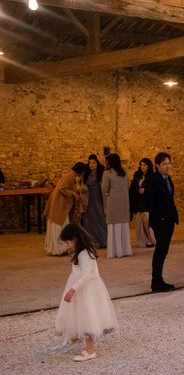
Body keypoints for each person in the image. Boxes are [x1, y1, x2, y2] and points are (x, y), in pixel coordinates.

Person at [55, 223, 117, 362]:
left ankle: (90, 351)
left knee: (87, 317)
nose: (67, 245)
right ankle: (75, 336)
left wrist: (73, 289)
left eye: (68, 242)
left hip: (86, 289)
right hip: (81, 287)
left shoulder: (85, 254)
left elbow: (87, 274)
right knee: (79, 315)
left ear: (75, 240)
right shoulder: (80, 252)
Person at [144, 152, 179, 292]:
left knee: (163, 250)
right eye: (164, 164)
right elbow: (149, 201)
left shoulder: (167, 178)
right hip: (160, 220)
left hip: (169, 219)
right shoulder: (152, 179)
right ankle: (156, 280)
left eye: (168, 163)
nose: (167, 166)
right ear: (157, 165)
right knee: (160, 250)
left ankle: (158, 279)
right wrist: (159, 216)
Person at [45, 162, 86, 256]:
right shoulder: (70, 176)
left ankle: (61, 248)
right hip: (60, 205)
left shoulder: (71, 176)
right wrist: (73, 194)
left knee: (61, 225)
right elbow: (62, 189)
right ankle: (59, 249)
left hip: (61, 205)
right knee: (59, 226)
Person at [102, 154, 132, 259]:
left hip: (113, 204)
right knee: (123, 226)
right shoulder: (124, 174)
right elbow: (128, 186)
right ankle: (125, 250)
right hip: (123, 203)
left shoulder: (107, 173)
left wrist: (105, 201)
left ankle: (114, 251)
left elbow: (104, 189)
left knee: (113, 226)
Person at [129, 158, 156, 248]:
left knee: (145, 220)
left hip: (148, 203)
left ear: (148, 166)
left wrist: (146, 190)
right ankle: (146, 240)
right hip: (139, 202)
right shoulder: (137, 175)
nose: (142, 166)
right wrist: (138, 190)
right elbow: (132, 188)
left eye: (144, 165)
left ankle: (150, 239)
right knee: (140, 223)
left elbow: (155, 189)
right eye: (141, 165)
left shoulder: (152, 176)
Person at [82, 155, 107, 248]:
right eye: (90, 163)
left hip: (98, 198)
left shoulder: (101, 173)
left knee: (100, 219)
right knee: (89, 221)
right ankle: (93, 242)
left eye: (94, 163)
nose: (91, 165)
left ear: (97, 163)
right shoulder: (87, 174)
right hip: (89, 199)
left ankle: (103, 241)